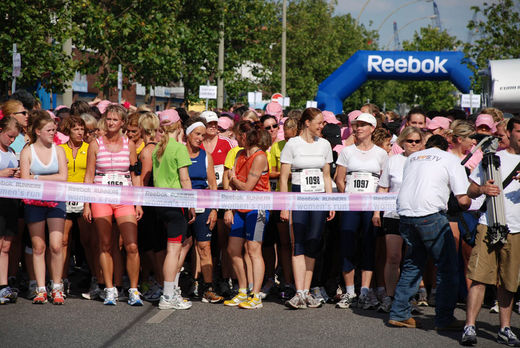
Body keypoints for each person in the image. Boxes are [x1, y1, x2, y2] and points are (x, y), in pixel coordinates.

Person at [388, 135, 471, 330]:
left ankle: (399, 313)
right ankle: (444, 318)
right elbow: (463, 199)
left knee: (412, 264)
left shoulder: (412, 158)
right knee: (447, 267)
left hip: (406, 215)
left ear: (427, 146)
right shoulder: (450, 159)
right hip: (430, 214)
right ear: (446, 147)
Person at [462, 117, 520, 346]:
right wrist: (483, 188)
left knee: (508, 281)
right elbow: (471, 190)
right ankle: (470, 326)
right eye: (519, 131)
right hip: (489, 223)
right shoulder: (492, 158)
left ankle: (505, 328)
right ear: (510, 132)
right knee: (479, 278)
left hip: (516, 229)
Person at [83, 104, 143, 306]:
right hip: (101, 197)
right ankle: (109, 289)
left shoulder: (130, 144)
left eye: (115, 120)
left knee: (132, 245)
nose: (110, 123)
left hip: (124, 198)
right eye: (108, 119)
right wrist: (86, 204)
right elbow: (89, 175)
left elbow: (135, 174)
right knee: (105, 244)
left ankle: (133, 289)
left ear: (123, 123)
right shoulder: (96, 144)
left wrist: (138, 203)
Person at [279, 108, 335, 309]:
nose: (322, 126)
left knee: (313, 243)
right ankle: (299, 292)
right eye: (319, 123)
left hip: (319, 198)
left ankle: (307, 291)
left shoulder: (325, 145)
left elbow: (327, 175)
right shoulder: (292, 144)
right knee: (298, 244)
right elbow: (283, 178)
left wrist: (330, 202)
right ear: (307, 123)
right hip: (297, 196)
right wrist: (284, 206)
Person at [334, 113, 388, 310]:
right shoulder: (347, 152)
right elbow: (339, 179)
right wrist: (347, 198)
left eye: (363, 125)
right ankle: (350, 291)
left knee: (368, 247)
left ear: (372, 128)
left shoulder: (381, 154)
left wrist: (376, 211)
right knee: (347, 246)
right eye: (356, 125)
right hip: (350, 205)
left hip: (370, 207)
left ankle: (365, 291)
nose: (358, 128)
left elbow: (384, 184)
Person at [372, 127, 424, 312]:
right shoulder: (393, 161)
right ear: (402, 142)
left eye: (417, 141)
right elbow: (383, 188)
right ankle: (390, 296)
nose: (413, 144)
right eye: (410, 141)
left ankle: (408, 298)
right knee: (393, 257)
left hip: (417, 214)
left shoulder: (425, 161)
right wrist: (377, 212)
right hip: (393, 213)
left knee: (412, 259)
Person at [20, 111, 68, 304]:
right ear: (38, 131)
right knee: (39, 246)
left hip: (56, 200)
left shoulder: (59, 150)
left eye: (54, 130)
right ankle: (41, 288)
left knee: (56, 245)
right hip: (34, 203)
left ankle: (57, 286)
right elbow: (25, 179)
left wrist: (38, 178)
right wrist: (35, 179)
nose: (52, 133)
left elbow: (63, 177)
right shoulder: (27, 151)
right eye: (49, 130)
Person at [223, 121, 270, 309]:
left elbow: (247, 187)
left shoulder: (259, 156)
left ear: (246, 136)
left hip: (257, 207)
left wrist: (232, 178)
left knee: (253, 250)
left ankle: (256, 295)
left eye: (239, 135)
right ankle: (242, 291)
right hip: (240, 206)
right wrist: (229, 208)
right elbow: (232, 185)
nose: (236, 138)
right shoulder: (240, 154)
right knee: (233, 249)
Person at [153, 112, 195, 310]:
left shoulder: (157, 149)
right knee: (173, 250)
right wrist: (191, 204)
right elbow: (185, 179)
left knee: (174, 248)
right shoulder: (179, 148)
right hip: (175, 203)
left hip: (159, 204)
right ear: (179, 124)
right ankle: (168, 295)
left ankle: (171, 290)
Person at [59, 116, 100, 298]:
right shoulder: (60, 150)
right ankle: (62, 279)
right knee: (63, 241)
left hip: (84, 199)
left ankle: (94, 277)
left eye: (82, 129)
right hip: (64, 198)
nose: (80, 132)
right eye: (76, 129)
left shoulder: (89, 148)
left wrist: (88, 203)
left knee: (88, 241)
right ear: (68, 131)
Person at [184, 117, 223, 304]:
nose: (200, 138)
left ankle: (208, 288)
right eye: (197, 134)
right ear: (187, 134)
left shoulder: (206, 156)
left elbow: (213, 184)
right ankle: (173, 286)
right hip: (182, 205)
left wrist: (214, 209)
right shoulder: (179, 153)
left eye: (202, 134)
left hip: (203, 204)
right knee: (181, 247)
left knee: (204, 247)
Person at [0, 116, 22, 304]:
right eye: (9, 136)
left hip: (11, 202)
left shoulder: (12, 151)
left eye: (15, 137)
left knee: (6, 245)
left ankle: (3, 285)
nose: (12, 140)